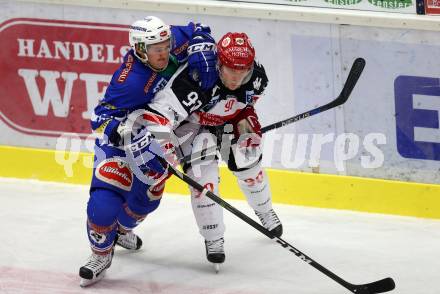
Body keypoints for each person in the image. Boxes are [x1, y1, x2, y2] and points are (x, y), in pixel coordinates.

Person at [79, 16, 217, 287]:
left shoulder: (172, 39)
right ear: (140, 49)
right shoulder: (129, 82)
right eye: (157, 49)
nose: (164, 52)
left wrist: (203, 43)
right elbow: (100, 119)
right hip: (122, 145)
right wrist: (125, 133)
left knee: (146, 203)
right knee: (103, 206)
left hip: (159, 140)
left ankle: (122, 230)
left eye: (165, 45)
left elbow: (199, 29)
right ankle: (100, 254)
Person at [137, 32, 283, 271]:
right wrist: (163, 144)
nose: (236, 79)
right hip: (191, 124)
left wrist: (247, 122)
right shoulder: (193, 79)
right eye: (230, 72)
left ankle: (265, 210)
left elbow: (242, 105)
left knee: (249, 161)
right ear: (218, 64)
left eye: (242, 73)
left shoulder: (257, 77)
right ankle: (213, 237)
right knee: (202, 178)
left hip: (225, 121)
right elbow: (158, 116)